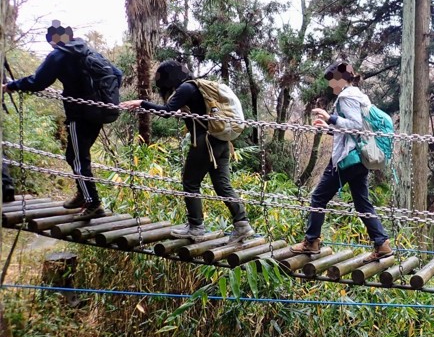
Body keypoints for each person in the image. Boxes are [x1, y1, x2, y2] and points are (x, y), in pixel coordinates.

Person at [119, 60, 255, 243]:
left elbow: (167, 111)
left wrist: (141, 103)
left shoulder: (186, 88)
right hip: (221, 141)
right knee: (223, 185)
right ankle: (242, 225)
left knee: (190, 182)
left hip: (204, 142)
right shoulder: (197, 87)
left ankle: (196, 228)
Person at [2, 20, 122, 220]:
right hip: (99, 112)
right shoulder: (88, 51)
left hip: (79, 114)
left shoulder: (59, 54)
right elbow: (117, 74)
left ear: (53, 40)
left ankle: (92, 202)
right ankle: (83, 195)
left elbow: (37, 82)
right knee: (74, 155)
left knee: (77, 158)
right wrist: (103, 98)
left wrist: (12, 86)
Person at [289, 61, 393, 264]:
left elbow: (355, 126)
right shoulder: (359, 95)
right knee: (362, 203)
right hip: (359, 158)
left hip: (347, 159)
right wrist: (329, 125)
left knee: (318, 198)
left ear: (340, 80)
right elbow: (351, 130)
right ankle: (382, 244)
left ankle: (311, 242)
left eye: (331, 81)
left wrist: (331, 118)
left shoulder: (346, 96)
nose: (330, 86)